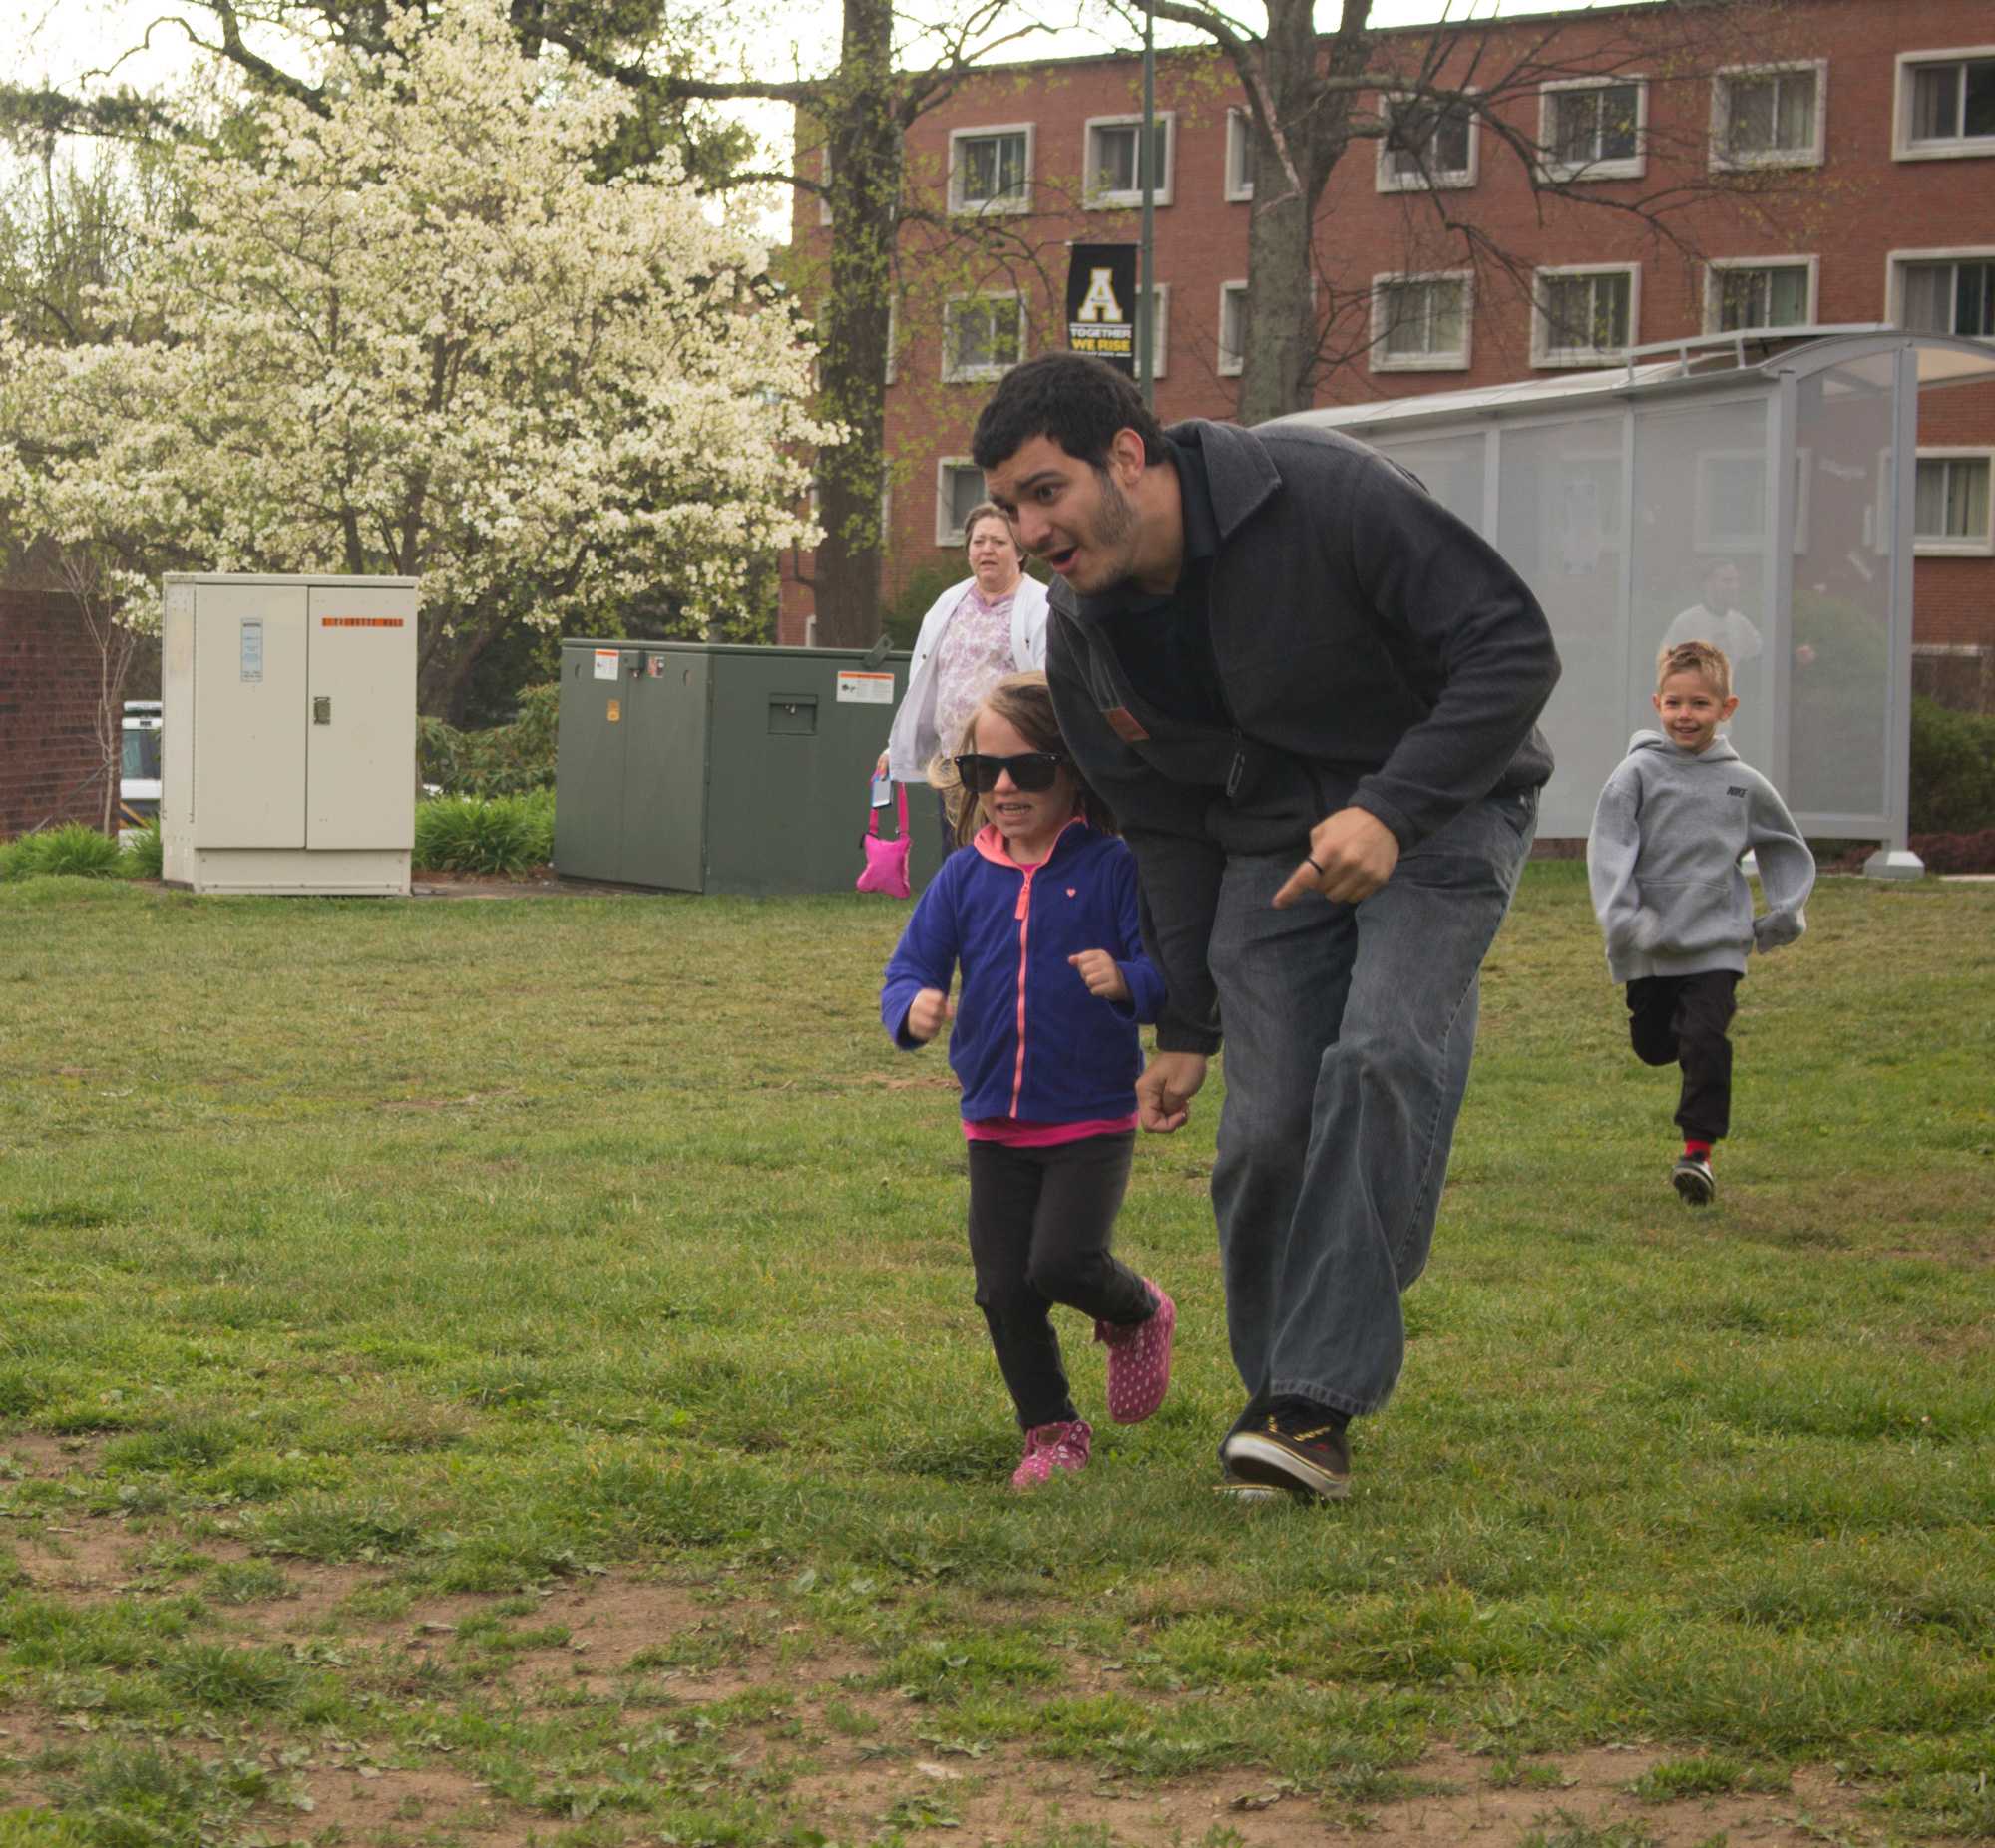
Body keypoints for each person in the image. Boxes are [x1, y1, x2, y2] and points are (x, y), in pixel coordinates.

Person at [971, 354, 1560, 1503]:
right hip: (1265, 847)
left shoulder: (1324, 495)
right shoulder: (1086, 634)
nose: (1030, 528)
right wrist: (1184, 1013)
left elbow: (1510, 648)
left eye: (1046, 491)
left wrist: (1389, 808)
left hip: (1440, 807)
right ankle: (1279, 1393)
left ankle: (1311, 1406)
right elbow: (1156, 823)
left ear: (1126, 457)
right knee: (1264, 1136)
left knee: (1384, 1054)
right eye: (1008, 505)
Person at [879, 671, 1178, 1490]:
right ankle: (1051, 1431)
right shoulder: (964, 877)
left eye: (1027, 769)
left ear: (1073, 767)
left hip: (1090, 1115)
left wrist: (1128, 979)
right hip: (993, 1120)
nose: (1004, 788)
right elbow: (907, 968)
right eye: (983, 771)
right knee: (1003, 1288)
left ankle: (1139, 1310)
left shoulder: (1113, 867)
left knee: (1064, 1262)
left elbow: (1165, 970)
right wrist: (912, 1010)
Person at [1586, 639, 1814, 1207]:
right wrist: (1622, 918)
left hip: (1717, 944)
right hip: (1649, 944)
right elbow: (1609, 847)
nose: (1685, 716)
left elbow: (1784, 845)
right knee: (1655, 1046)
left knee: (1706, 1038)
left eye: (1700, 705)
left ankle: (1698, 1153)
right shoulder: (1634, 774)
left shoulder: (1744, 784)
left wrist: (1782, 915)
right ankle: (1679, 1067)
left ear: (1726, 708)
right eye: (1674, 704)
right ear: (1657, 704)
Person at [877, 505, 1050, 866]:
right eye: (978, 541)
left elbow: (1047, 684)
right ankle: (961, 921)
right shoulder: (948, 604)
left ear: (1020, 551)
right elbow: (922, 684)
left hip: (1010, 767)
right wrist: (894, 749)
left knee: (1006, 855)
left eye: (999, 541)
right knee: (958, 856)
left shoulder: (1039, 606)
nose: (986, 549)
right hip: (954, 765)